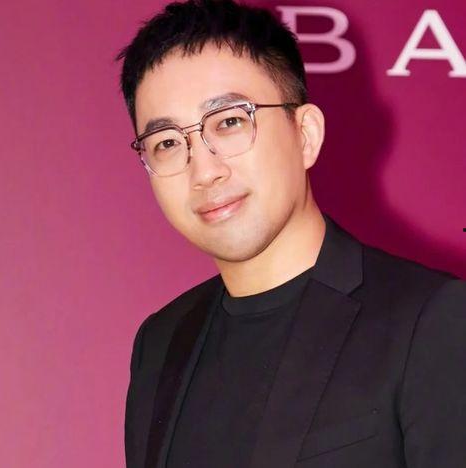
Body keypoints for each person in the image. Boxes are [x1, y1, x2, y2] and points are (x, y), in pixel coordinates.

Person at [114, 1, 466, 466]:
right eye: (167, 143)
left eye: (230, 122)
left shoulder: (432, 321)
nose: (204, 171)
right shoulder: (160, 343)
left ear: (305, 134)